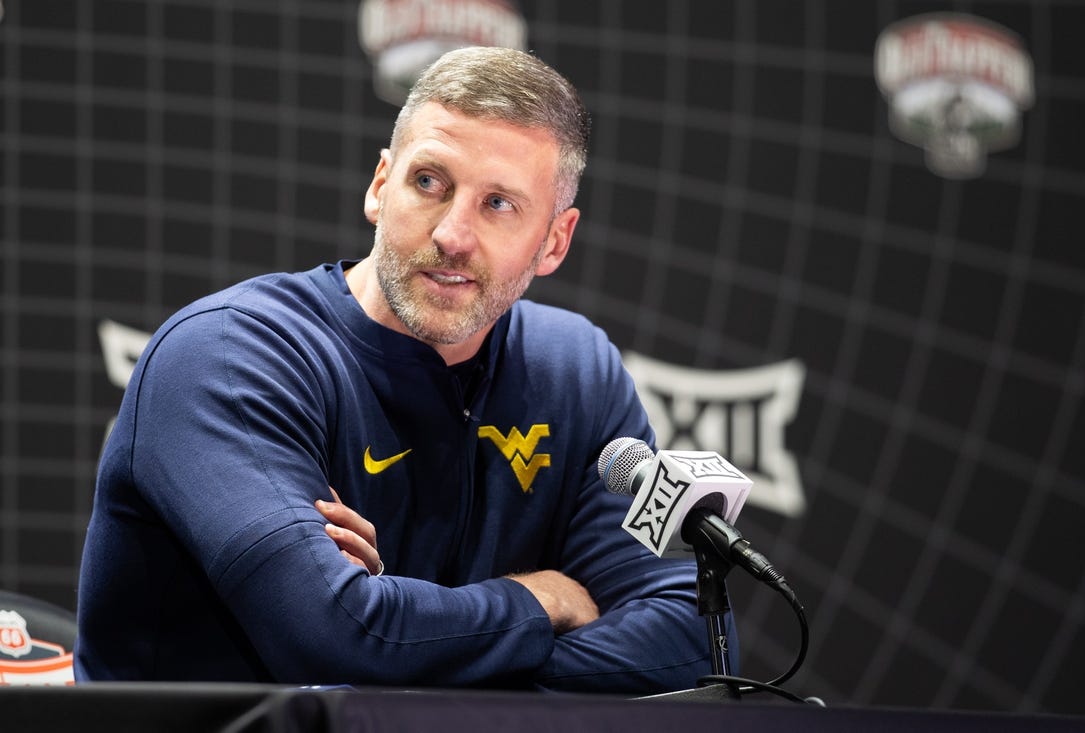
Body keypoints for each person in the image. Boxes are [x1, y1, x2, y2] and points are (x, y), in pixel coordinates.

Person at [74, 46, 737, 693]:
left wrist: (414, 650)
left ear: (554, 241)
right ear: (379, 184)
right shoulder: (225, 356)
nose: (452, 232)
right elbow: (330, 633)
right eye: (429, 182)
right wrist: (538, 601)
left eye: (498, 204)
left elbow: (692, 631)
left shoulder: (575, 371)